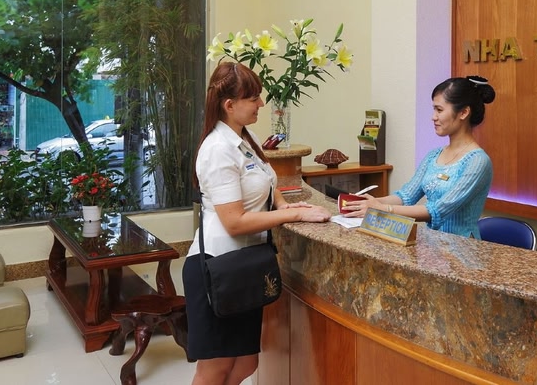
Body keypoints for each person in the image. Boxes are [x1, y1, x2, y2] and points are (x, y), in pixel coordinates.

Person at [183, 62, 331, 385]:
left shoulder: (245, 139)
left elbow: (267, 180)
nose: (261, 104)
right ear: (229, 105)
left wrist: (283, 204)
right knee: (214, 370)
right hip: (216, 269)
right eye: (253, 98)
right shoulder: (217, 149)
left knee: (246, 364)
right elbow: (234, 222)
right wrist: (294, 215)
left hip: (245, 266)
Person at [346, 76, 496, 238]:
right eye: (434, 109)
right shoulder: (434, 155)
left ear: (463, 112)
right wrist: (368, 203)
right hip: (433, 244)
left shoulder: (478, 161)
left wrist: (382, 209)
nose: (433, 117)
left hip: (463, 248)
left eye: (439, 110)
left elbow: (437, 210)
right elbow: (406, 196)